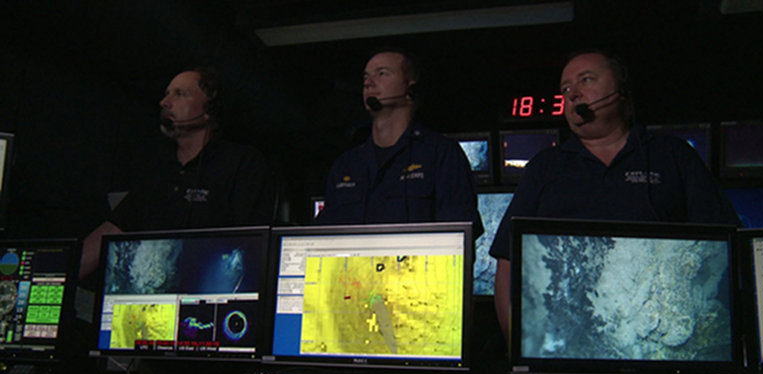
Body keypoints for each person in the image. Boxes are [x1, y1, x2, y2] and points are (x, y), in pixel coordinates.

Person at [489, 49, 740, 343]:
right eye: (566, 89)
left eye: (586, 80)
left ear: (622, 90)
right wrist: (517, 347)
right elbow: (508, 260)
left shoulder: (673, 156)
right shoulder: (545, 168)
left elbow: (724, 248)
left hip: (656, 347)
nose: (572, 94)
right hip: (564, 345)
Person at [79, 67, 275, 279]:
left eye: (180, 94)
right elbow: (114, 229)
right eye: (166, 94)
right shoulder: (156, 170)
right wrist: (62, 277)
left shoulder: (241, 163)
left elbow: (252, 243)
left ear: (209, 108)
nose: (165, 102)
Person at [315, 48, 483, 238]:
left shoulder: (441, 154)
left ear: (410, 88)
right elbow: (323, 236)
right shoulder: (346, 165)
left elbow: (461, 235)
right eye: (366, 78)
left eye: (382, 74)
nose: (369, 83)